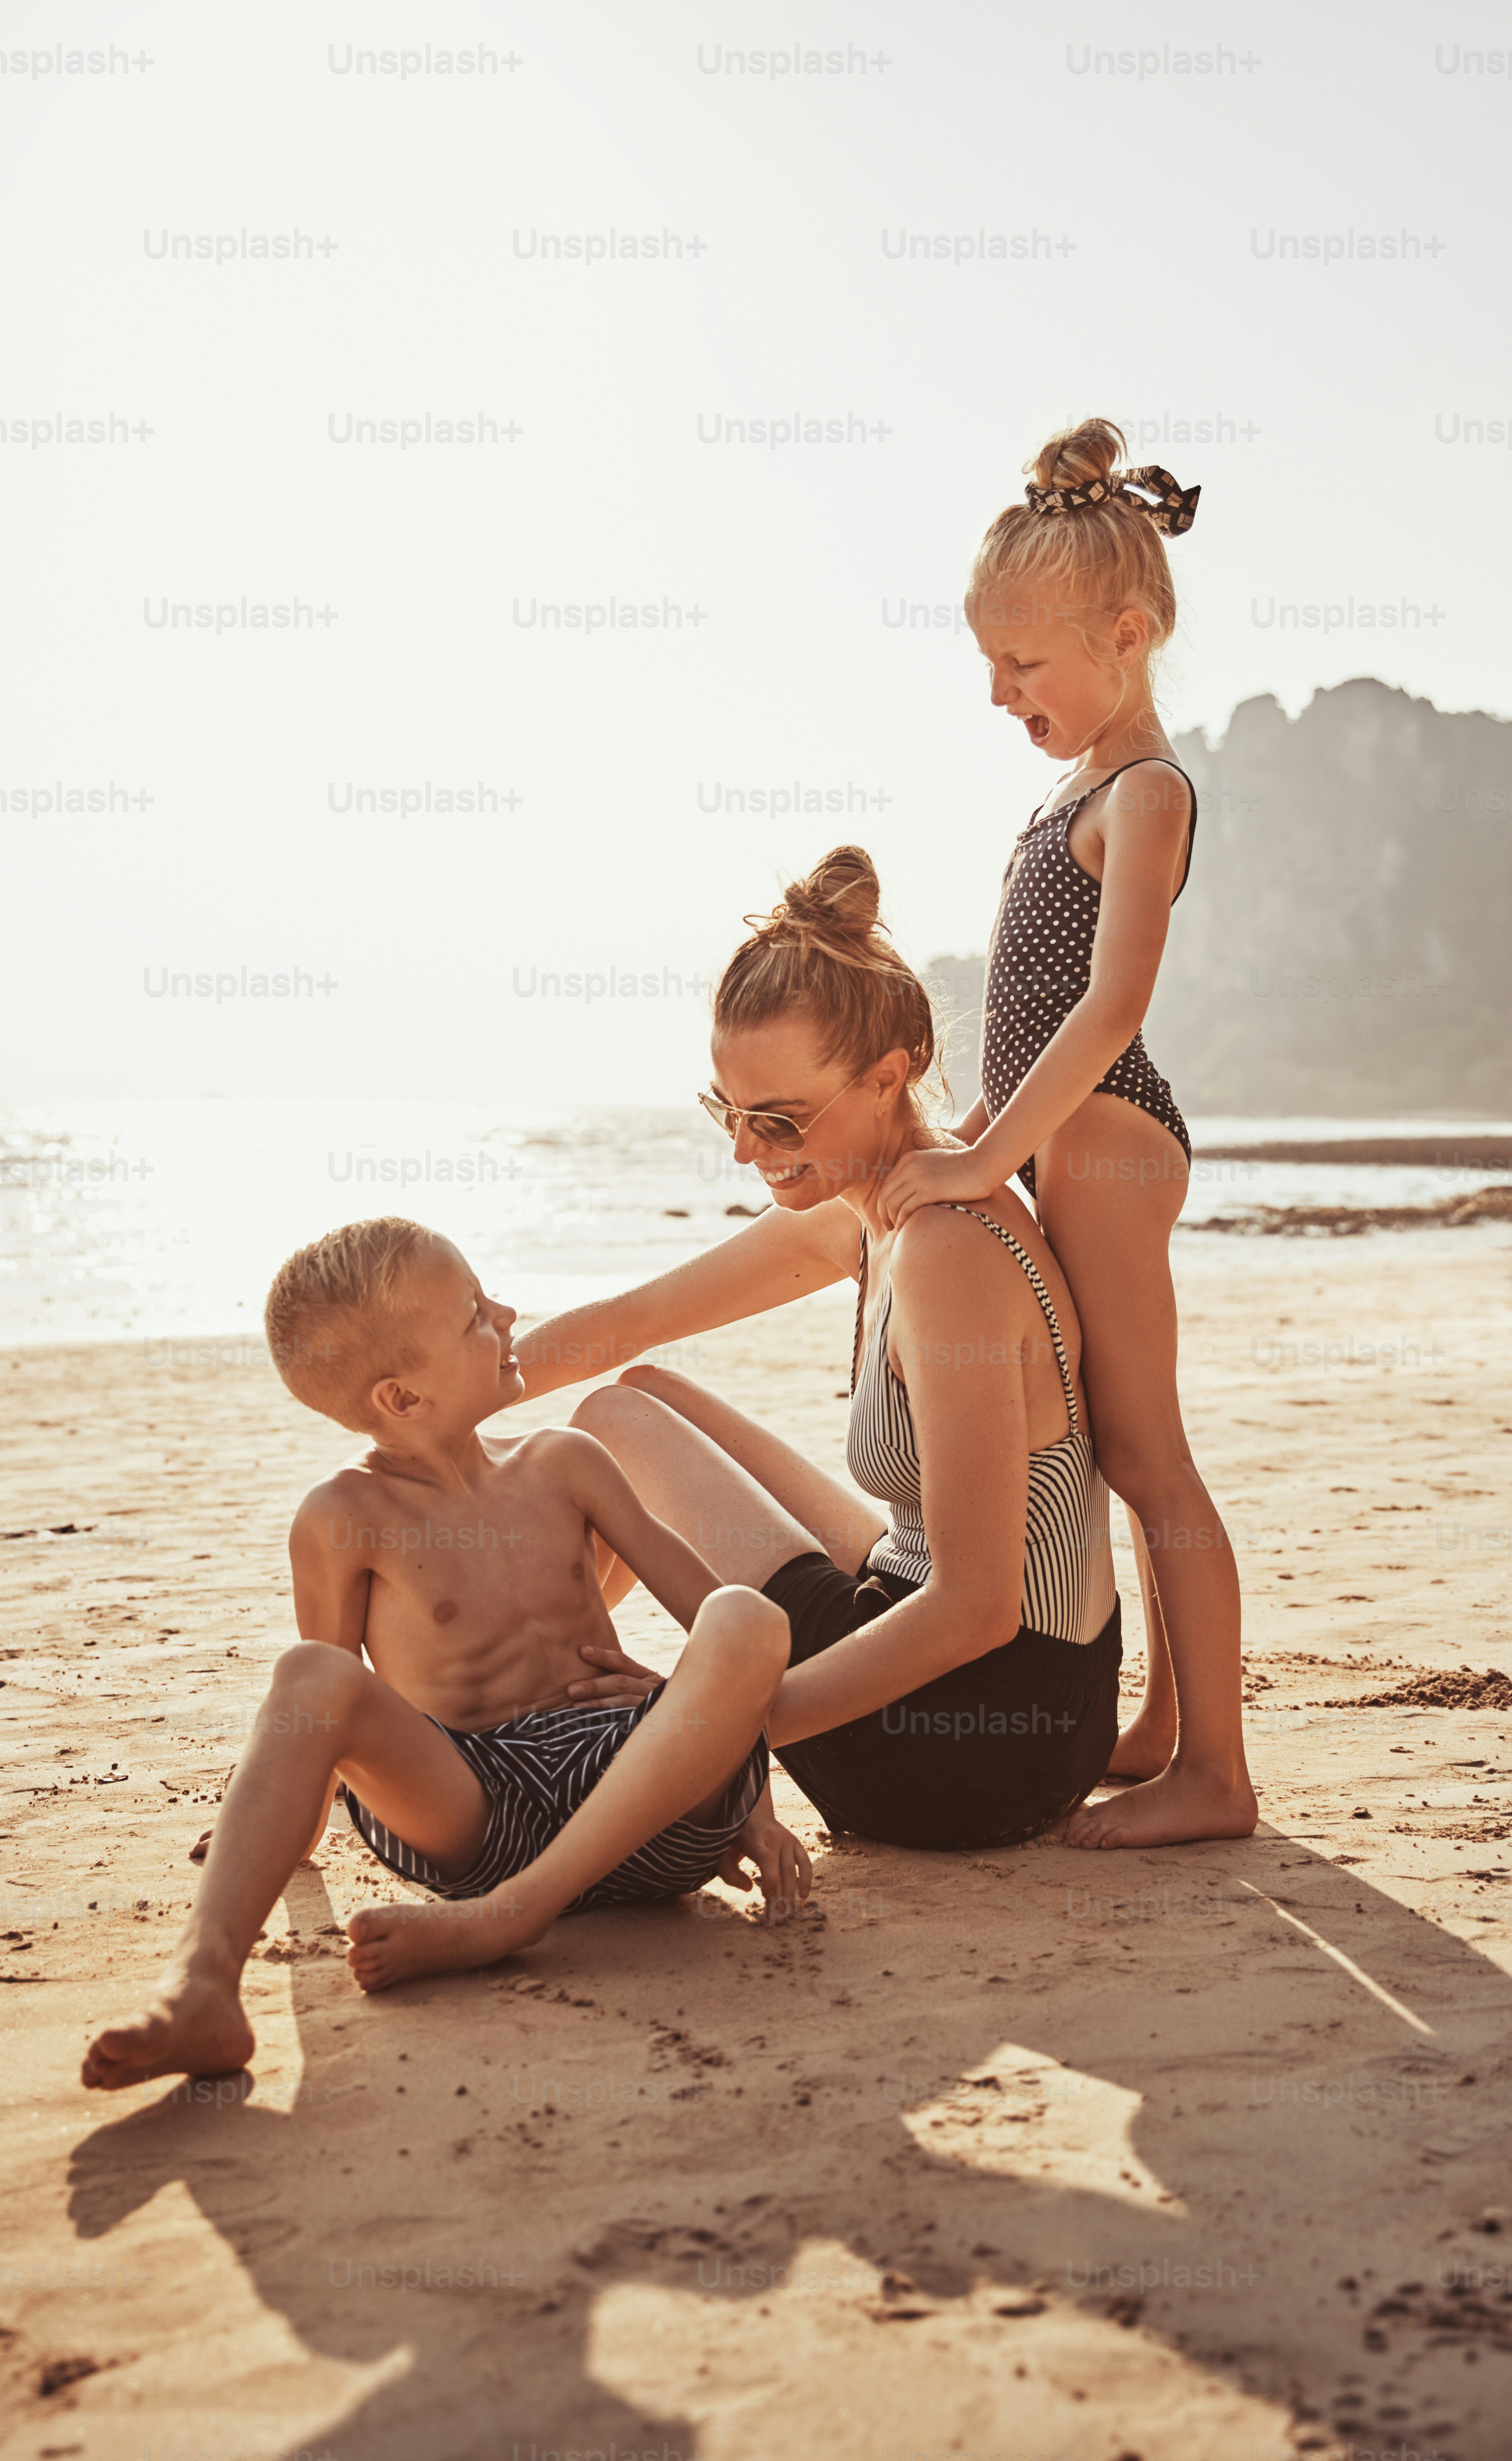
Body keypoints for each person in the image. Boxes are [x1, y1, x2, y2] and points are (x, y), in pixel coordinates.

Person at [81, 1220, 804, 2091]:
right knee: (308, 1673)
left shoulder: (566, 1462)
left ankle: (512, 1918)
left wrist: (752, 1803)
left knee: (744, 1617)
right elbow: (327, 1721)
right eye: (474, 1315)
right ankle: (201, 1987)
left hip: (643, 1802)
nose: (506, 1314)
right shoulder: (345, 1515)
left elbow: (729, 1654)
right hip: (477, 1810)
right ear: (401, 1397)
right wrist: (272, 1817)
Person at [514, 846, 1126, 1854]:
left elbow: (976, 1609)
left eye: (778, 1119)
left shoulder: (946, 1253)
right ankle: (553, 1694)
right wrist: (445, 1395)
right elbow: (633, 1318)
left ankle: (542, 1715)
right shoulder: (869, 1207)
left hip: (977, 1742)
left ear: (888, 1076)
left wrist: (712, 1727)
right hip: (1023, 1700)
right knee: (640, 1390)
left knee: (611, 1423)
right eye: (728, 1110)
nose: (745, 1149)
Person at [875, 417, 1255, 1849]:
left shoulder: (1144, 791)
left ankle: (1215, 1770)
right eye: (989, 664)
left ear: (1127, 633)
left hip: (1105, 1140)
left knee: (1149, 1455)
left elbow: (1106, 1007)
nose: (997, 691)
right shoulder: (1066, 791)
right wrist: (970, 1130)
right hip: (1052, 1131)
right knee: (1102, 1441)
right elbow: (1023, 1022)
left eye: (1022, 663)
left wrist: (986, 1159)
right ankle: (1157, 1721)